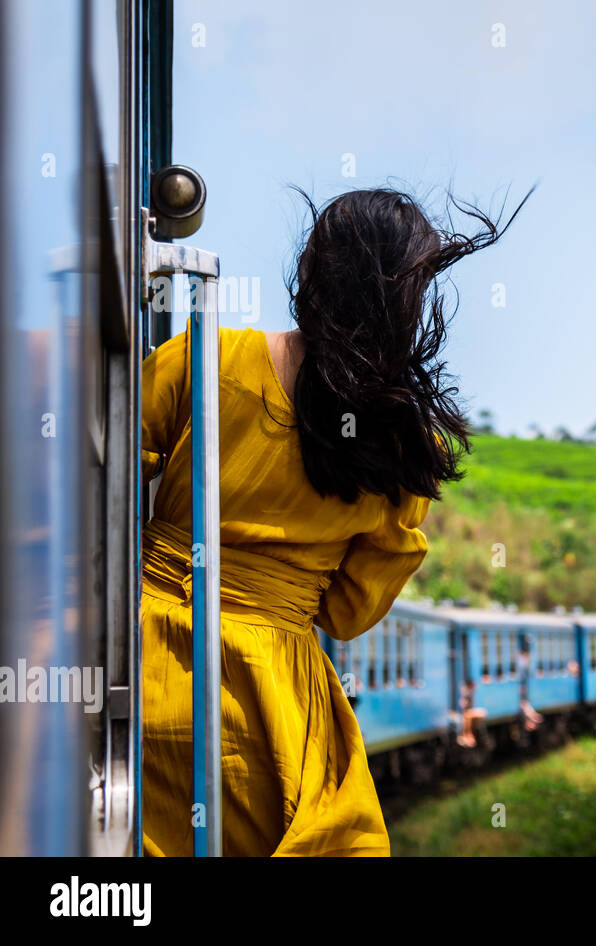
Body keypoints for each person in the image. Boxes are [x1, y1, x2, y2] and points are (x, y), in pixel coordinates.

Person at [139, 186, 526, 856]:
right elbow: (347, 613)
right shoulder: (405, 445)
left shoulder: (204, 358)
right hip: (271, 717)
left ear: (311, 269)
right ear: (410, 300)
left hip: (143, 667)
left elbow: (99, 479)